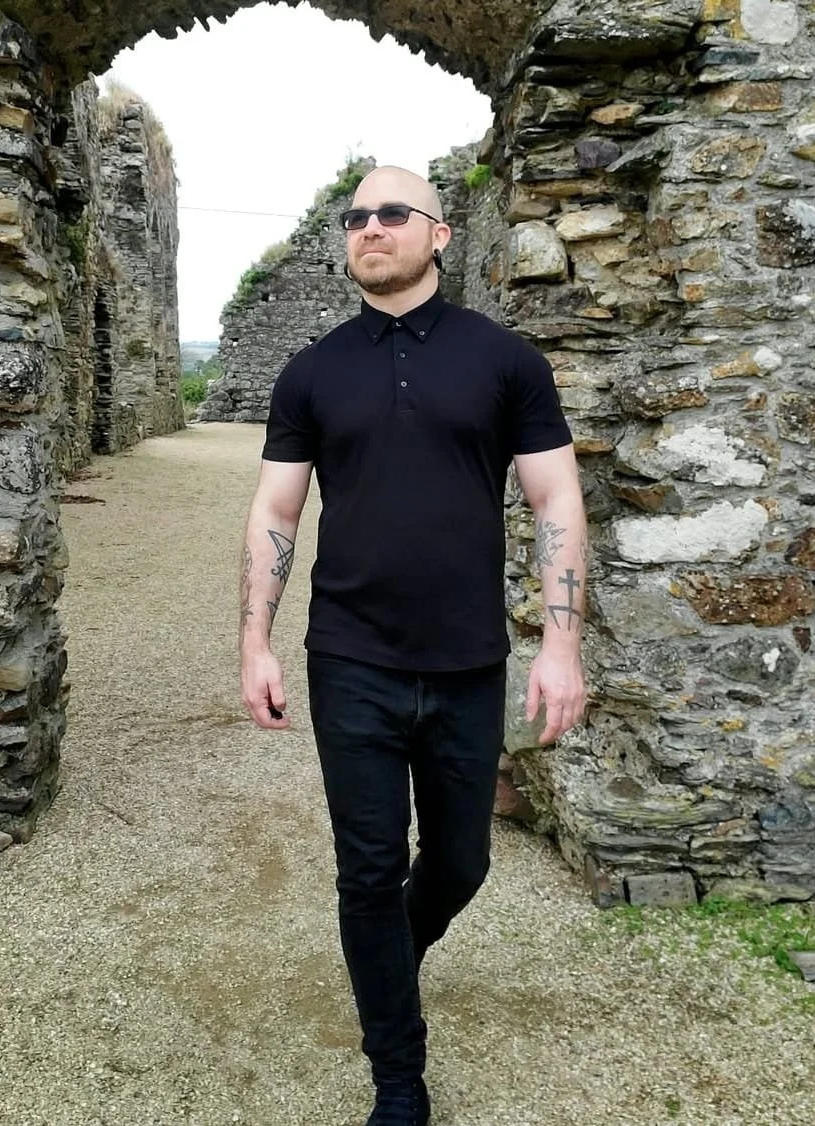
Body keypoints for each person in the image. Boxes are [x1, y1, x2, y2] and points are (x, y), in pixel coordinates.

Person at [238, 165, 587, 1126]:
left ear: (437, 233)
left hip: (468, 657)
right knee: (365, 866)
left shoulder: (505, 360)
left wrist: (559, 646)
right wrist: (254, 641)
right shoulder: (312, 370)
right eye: (354, 217)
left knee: (462, 862)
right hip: (349, 657)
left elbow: (556, 498)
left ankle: (392, 952)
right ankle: (398, 1076)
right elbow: (276, 505)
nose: (369, 228)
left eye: (392, 212)